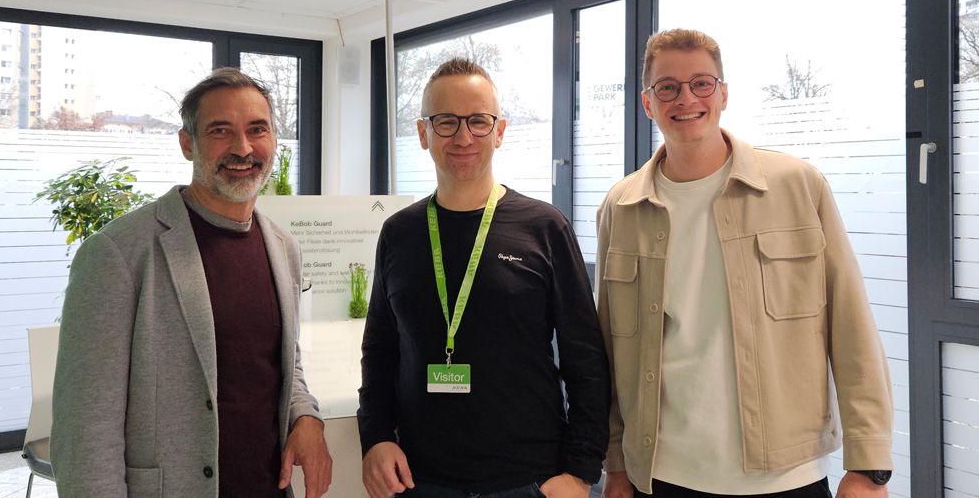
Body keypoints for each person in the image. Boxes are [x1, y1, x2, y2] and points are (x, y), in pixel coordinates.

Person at [597, 29, 893, 498]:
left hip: (784, 475)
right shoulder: (622, 205)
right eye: (667, 87)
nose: (686, 98)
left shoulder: (797, 185)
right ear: (647, 103)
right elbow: (612, 351)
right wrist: (615, 463)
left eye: (702, 83)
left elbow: (851, 323)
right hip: (662, 472)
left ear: (724, 93)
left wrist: (870, 465)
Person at [52, 68, 332, 498]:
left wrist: (306, 415)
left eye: (257, 129)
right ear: (188, 144)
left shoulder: (283, 248)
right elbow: (86, 429)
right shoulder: (119, 254)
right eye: (221, 131)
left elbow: (283, 363)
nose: (243, 148)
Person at [358, 58, 610, 498]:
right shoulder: (399, 233)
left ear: (499, 130)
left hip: (530, 479)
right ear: (422, 133)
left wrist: (581, 471)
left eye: (478, 121)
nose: (463, 136)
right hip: (420, 479)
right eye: (446, 122)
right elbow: (380, 349)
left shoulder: (544, 227)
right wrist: (375, 437)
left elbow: (585, 358)